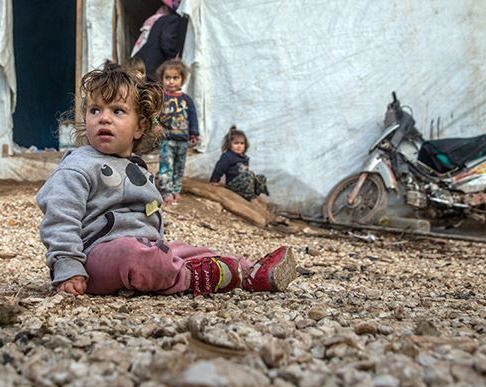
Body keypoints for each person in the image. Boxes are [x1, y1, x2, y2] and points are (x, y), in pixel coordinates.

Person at [36, 62, 298, 297]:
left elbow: (150, 217)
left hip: (145, 248)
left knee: (186, 250)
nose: (104, 118)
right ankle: (193, 277)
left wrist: (161, 246)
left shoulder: (136, 168)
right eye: (95, 110)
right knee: (135, 255)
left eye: (117, 111)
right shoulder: (78, 166)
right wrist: (68, 265)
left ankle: (249, 271)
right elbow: (60, 217)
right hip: (95, 259)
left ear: (140, 127)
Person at [156, 59, 199, 205]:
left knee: (179, 167)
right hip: (166, 139)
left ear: (183, 79)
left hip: (183, 140)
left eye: (175, 78)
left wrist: (194, 133)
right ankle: (166, 191)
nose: (171, 81)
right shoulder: (161, 98)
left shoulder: (186, 100)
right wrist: (156, 127)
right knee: (166, 165)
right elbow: (154, 115)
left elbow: (192, 116)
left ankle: (176, 190)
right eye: (167, 77)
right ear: (162, 79)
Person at [210, 126, 269, 202]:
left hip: (244, 184)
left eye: (242, 143)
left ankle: (253, 194)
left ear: (245, 145)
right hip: (233, 185)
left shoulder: (244, 158)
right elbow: (219, 169)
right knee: (248, 175)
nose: (239, 146)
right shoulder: (227, 156)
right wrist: (214, 180)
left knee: (261, 177)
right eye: (236, 143)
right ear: (229, 144)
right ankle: (249, 196)